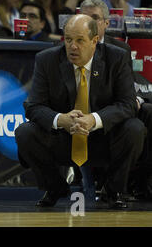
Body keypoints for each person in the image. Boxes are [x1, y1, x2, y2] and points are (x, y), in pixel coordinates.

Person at [15, 14, 145, 209]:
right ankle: (55, 187)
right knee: (24, 132)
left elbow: (127, 103)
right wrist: (61, 120)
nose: (73, 46)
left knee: (135, 128)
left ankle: (113, 190)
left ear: (94, 41)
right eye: (68, 40)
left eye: (79, 40)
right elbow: (33, 106)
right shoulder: (46, 60)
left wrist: (94, 119)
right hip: (65, 137)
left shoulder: (116, 58)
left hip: (103, 136)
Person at [80, 0, 152, 199]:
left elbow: (127, 88)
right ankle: (109, 185)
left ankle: (139, 183)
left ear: (106, 22)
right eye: (84, 17)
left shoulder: (121, 50)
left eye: (94, 18)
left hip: (114, 110)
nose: (88, 23)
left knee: (146, 114)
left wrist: (134, 100)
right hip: (81, 111)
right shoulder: (70, 47)